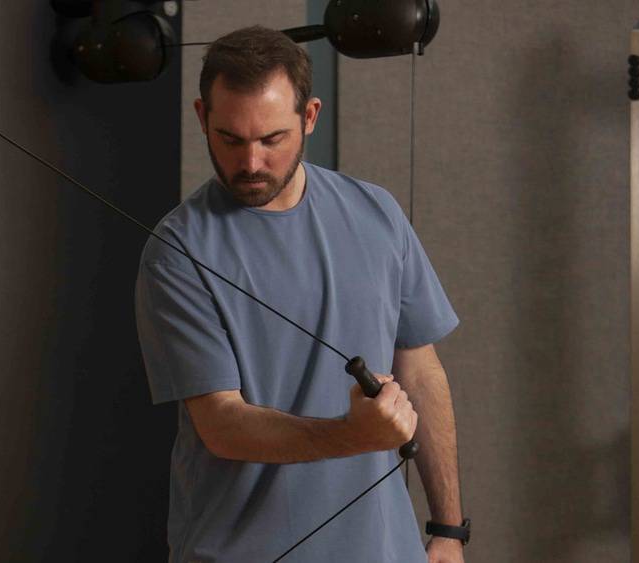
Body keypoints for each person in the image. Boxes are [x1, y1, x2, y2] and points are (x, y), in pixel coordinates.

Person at [135, 26, 465, 563]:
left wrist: (449, 529)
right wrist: (351, 436)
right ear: (202, 118)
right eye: (230, 138)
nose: (250, 163)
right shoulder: (177, 250)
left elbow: (421, 372)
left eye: (271, 139)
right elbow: (221, 424)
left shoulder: (377, 213)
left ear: (309, 117)